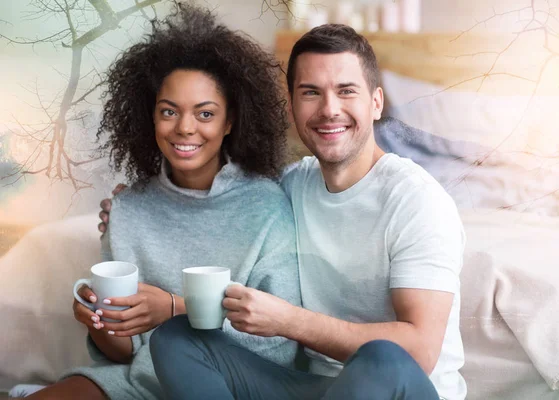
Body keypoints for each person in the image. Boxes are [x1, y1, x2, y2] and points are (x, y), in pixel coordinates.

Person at [102, 25, 466, 400]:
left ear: (376, 102)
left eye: (346, 91)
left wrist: (291, 322)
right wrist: (138, 202)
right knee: (177, 338)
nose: (329, 109)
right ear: (291, 106)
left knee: (380, 359)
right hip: (313, 389)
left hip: (394, 387)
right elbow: (224, 197)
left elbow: (420, 350)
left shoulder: (417, 201)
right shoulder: (291, 185)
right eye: (311, 93)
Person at [25, 5, 300, 400]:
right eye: (169, 111)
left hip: (231, 385)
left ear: (229, 121)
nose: (185, 127)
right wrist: (99, 322)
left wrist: (175, 307)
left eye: (205, 113)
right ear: (150, 117)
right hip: (140, 383)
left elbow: (277, 347)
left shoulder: (268, 209)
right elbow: (125, 354)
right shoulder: (128, 209)